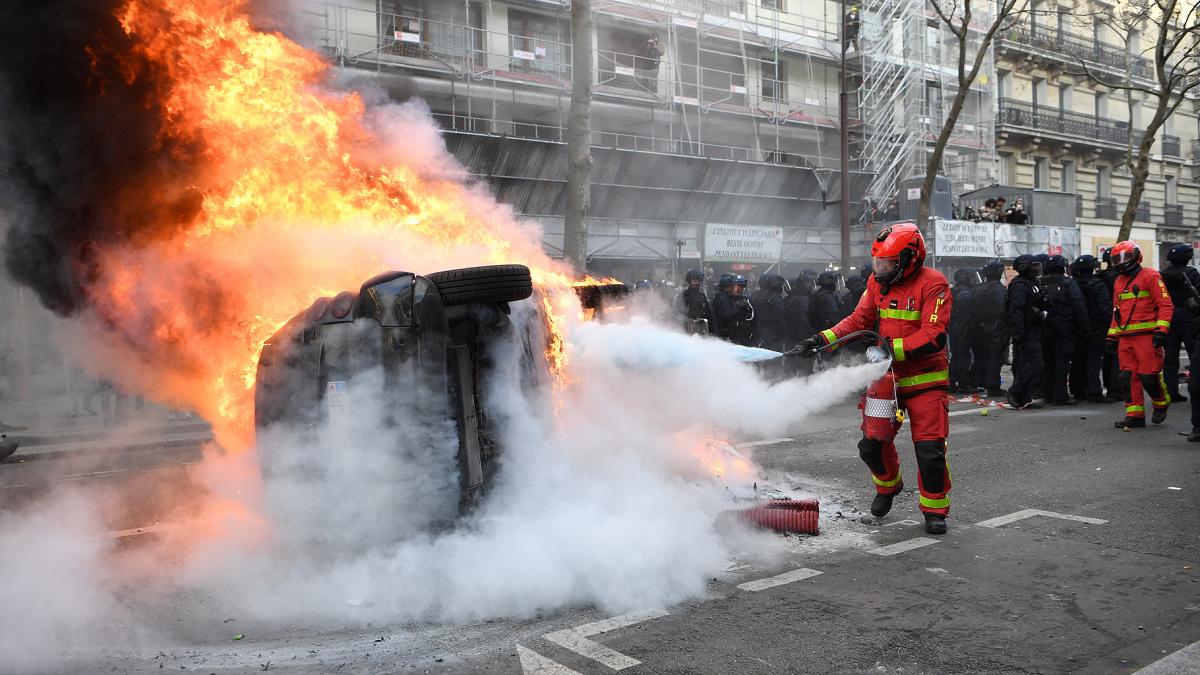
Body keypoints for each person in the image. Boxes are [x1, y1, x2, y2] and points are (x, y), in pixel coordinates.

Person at [797, 223, 952, 535]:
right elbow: (859, 319)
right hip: (886, 381)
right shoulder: (877, 282)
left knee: (930, 451)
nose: (879, 270)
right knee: (871, 445)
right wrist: (820, 339)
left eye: (887, 264)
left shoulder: (935, 284)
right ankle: (888, 487)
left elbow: (933, 336)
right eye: (877, 263)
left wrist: (888, 348)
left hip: (925, 381)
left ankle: (935, 510)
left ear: (910, 259)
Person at [1107, 241, 1173, 429]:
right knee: (1127, 377)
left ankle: (1161, 403)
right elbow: (1116, 311)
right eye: (1117, 259)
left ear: (1136, 257)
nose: (1121, 262)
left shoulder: (1150, 276)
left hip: (1147, 337)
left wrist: (1161, 330)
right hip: (1125, 338)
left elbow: (1165, 305)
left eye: (1125, 257)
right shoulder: (1119, 281)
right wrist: (1111, 336)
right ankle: (1134, 414)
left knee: (1149, 377)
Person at [1039, 255, 1089, 405]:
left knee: (1048, 361)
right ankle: (1060, 396)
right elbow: (1078, 304)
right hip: (1065, 328)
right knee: (1062, 360)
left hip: (1045, 327)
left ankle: (1048, 394)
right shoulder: (1068, 283)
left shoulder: (1040, 283)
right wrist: (1085, 327)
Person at [1068, 255, 1114, 404]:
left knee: (1078, 358)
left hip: (1077, 326)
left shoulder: (1073, 283)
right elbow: (1105, 307)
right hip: (1097, 327)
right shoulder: (1098, 284)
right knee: (1094, 359)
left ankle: (1078, 390)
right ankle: (1094, 391)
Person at [1005, 254, 1047, 409]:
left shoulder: (1033, 282)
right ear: (1024, 266)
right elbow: (1016, 310)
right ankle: (1015, 392)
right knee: (1035, 364)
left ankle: (1024, 397)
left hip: (1035, 329)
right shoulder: (1019, 285)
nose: (1037, 268)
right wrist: (1018, 332)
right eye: (1034, 265)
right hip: (1026, 330)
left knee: (1028, 364)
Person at [1160, 244, 1200, 403]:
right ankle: (1196, 391)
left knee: (1170, 358)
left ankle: (1171, 392)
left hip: (1168, 317)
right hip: (1189, 317)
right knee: (1194, 356)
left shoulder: (1162, 274)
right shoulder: (1191, 273)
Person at [972, 261, 1009, 397]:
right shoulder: (998, 289)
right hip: (996, 327)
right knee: (996, 357)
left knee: (983, 357)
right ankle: (993, 386)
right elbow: (1003, 309)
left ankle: (981, 382)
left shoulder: (979, 288)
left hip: (981, 327)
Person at [949, 268, 981, 393]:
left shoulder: (955, 290)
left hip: (956, 327)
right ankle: (962, 383)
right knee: (963, 356)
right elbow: (966, 311)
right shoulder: (964, 293)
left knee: (957, 355)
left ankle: (952, 381)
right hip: (962, 327)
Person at [1100, 247, 1123, 401]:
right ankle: (1116, 389)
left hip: (1102, 321)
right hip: (1119, 319)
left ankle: (1110, 386)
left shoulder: (1101, 277)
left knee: (1108, 356)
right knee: (1118, 356)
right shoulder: (1120, 278)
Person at [713, 273, 756, 346]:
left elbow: (752, 318)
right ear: (730, 287)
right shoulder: (723, 298)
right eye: (736, 286)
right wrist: (739, 306)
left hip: (743, 336)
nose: (739, 289)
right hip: (729, 337)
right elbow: (725, 315)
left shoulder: (744, 299)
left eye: (741, 287)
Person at [751, 274, 789, 352]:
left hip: (758, 331)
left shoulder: (756, 295)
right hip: (773, 334)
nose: (782, 287)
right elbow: (780, 316)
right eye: (781, 285)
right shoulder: (776, 298)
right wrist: (784, 333)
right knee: (773, 361)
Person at [678, 268, 713, 335]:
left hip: (702, 327)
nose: (697, 283)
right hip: (687, 329)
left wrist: (711, 330)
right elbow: (678, 313)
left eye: (698, 281)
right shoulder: (684, 295)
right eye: (694, 281)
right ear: (689, 281)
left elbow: (708, 313)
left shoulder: (702, 295)